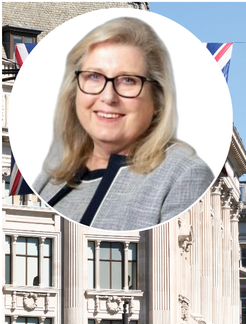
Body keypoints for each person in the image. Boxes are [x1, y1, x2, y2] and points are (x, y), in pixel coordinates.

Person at [34, 17, 214, 231]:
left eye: (128, 80)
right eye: (94, 76)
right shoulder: (52, 172)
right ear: (74, 92)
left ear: (158, 99)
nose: (108, 97)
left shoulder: (183, 174)